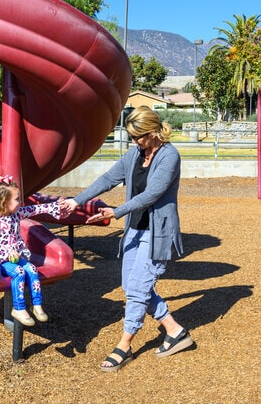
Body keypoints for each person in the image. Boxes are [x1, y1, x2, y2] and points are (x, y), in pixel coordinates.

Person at [61, 106, 193, 372]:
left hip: (157, 233)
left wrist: (116, 212)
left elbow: (152, 194)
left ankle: (124, 345)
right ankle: (175, 331)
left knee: (136, 289)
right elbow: (109, 178)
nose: (135, 142)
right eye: (132, 137)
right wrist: (76, 201)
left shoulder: (170, 156)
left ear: (154, 132)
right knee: (131, 286)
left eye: (139, 137)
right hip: (135, 229)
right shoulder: (136, 154)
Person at [0, 175, 63, 327]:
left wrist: (55, 206)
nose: (21, 202)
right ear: (4, 202)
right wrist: (6, 252)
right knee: (19, 272)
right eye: (17, 199)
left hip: (17, 257)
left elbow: (34, 209)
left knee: (32, 268)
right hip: (2, 261)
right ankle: (18, 308)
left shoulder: (16, 215)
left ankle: (36, 305)